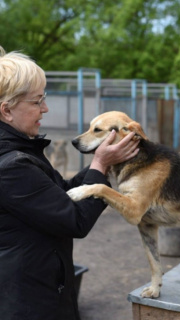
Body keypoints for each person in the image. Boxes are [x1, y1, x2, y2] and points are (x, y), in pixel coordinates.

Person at [0, 47, 139, 320]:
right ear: (6, 111)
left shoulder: (20, 151)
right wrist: (99, 165)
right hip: (27, 302)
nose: (45, 108)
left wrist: (104, 163)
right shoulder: (11, 166)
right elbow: (73, 219)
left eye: (45, 98)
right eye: (37, 101)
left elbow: (61, 194)